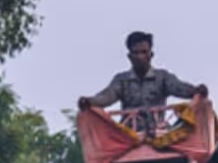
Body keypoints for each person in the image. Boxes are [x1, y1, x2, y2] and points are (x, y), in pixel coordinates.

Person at [78, 31, 208, 115]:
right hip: (128, 137)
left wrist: (196, 91)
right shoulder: (121, 80)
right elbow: (107, 97)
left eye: (144, 52)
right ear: (129, 56)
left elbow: (179, 88)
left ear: (151, 55)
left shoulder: (162, 77)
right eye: (136, 52)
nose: (140, 57)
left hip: (160, 135)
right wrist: (90, 101)